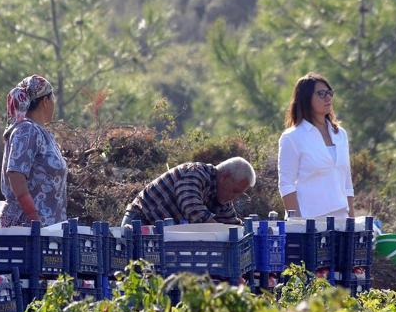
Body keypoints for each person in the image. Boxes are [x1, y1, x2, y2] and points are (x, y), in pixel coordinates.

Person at [277, 72, 355, 219]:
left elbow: (347, 183)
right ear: (306, 99)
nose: (328, 98)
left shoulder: (340, 134)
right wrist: (298, 224)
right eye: (321, 94)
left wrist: (351, 221)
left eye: (329, 93)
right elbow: (286, 186)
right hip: (310, 222)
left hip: (341, 221)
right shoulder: (292, 137)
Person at [0, 74, 67, 227]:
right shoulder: (27, 130)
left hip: (48, 228)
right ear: (45, 101)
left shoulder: (41, 132)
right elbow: (15, 174)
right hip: (27, 228)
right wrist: (33, 216)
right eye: (53, 98)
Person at [121, 157, 256, 226]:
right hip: (140, 223)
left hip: (160, 235)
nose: (234, 198)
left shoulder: (221, 198)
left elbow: (231, 224)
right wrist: (219, 230)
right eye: (234, 191)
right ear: (225, 177)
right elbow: (192, 207)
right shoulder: (195, 173)